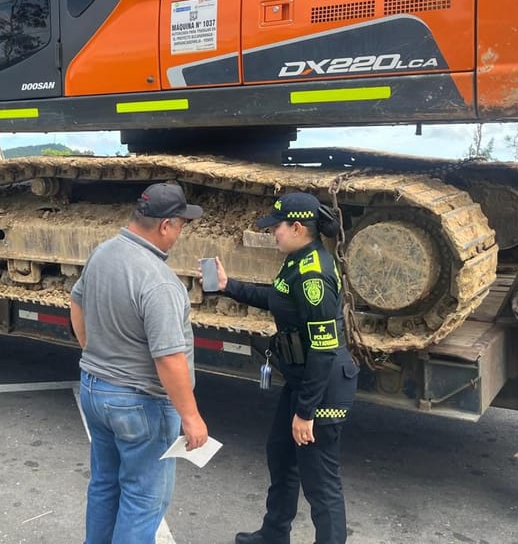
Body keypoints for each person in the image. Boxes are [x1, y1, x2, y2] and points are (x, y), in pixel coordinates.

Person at [213, 192, 358, 544]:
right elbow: (276, 298)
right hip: (301, 379)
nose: (272, 233)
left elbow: (324, 351)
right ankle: (275, 533)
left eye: (276, 227)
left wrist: (306, 412)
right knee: (281, 455)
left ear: (297, 227)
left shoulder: (314, 277)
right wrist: (227, 286)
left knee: (320, 482)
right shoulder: (297, 260)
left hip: (322, 388)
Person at [70, 182, 210, 544]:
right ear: (166, 225)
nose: (180, 234)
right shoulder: (160, 282)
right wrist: (192, 417)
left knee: (105, 484)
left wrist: (95, 350)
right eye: (180, 225)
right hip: (139, 404)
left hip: (94, 389)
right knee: (144, 497)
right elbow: (168, 357)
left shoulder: (103, 253)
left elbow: (76, 303)